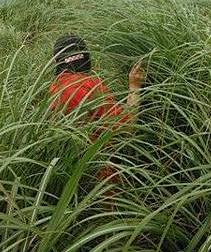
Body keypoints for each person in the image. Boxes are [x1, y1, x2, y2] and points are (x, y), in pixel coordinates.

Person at [49, 34, 145, 185]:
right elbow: (126, 128)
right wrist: (135, 86)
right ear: (86, 58)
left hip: (63, 178)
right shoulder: (91, 87)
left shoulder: (54, 89)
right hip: (98, 180)